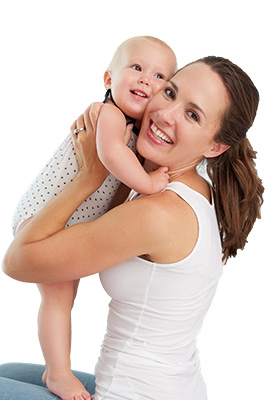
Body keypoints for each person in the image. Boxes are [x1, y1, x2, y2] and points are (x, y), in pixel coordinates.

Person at [2, 56, 264, 400]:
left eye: (192, 114)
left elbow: (17, 262)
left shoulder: (159, 214)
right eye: (170, 92)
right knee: (8, 374)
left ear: (216, 147)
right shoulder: (188, 189)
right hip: (171, 390)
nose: (166, 114)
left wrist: (89, 177)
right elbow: (98, 228)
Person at [10, 36, 177, 400]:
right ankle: (57, 373)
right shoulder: (108, 116)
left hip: (72, 221)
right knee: (57, 298)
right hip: (44, 215)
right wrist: (149, 182)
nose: (146, 79)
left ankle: (57, 368)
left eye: (160, 76)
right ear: (107, 79)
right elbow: (111, 155)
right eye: (136, 68)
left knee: (64, 298)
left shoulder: (136, 131)